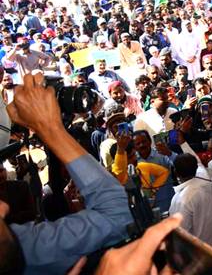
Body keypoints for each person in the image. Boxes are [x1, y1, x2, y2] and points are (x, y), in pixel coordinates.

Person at [0, 73, 131, 274]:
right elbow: (116, 215)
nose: (3, 208)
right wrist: (50, 129)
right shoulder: (21, 248)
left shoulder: (21, 247)